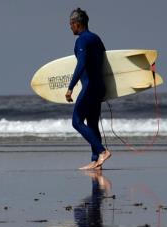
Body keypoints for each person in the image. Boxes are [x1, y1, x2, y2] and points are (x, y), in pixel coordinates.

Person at [65, 8, 111, 170]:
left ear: (77, 24)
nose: (70, 27)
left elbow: (81, 63)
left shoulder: (82, 40)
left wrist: (70, 88)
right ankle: (96, 161)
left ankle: (102, 151)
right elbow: (105, 62)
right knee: (92, 124)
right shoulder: (96, 39)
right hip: (99, 87)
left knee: (76, 121)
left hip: (90, 86)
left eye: (71, 24)